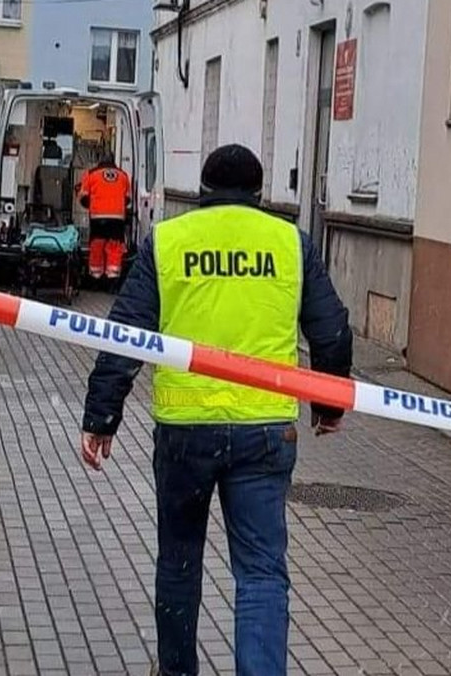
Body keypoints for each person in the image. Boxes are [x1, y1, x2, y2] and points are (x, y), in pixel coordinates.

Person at [79, 144, 353, 675]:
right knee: (261, 574)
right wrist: (328, 404)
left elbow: (126, 331)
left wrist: (101, 415)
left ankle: (178, 670)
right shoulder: (290, 243)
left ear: (203, 190)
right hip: (266, 433)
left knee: (180, 564)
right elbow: (332, 330)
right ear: (259, 191)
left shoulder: (170, 241)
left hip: (186, 434)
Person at [78, 152, 132, 279]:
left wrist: (92, 206)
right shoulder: (123, 176)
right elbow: (128, 199)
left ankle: (95, 275)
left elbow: (83, 197)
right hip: (117, 219)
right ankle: (112, 275)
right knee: (114, 245)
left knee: (97, 245)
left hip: (98, 217)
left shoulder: (91, 174)